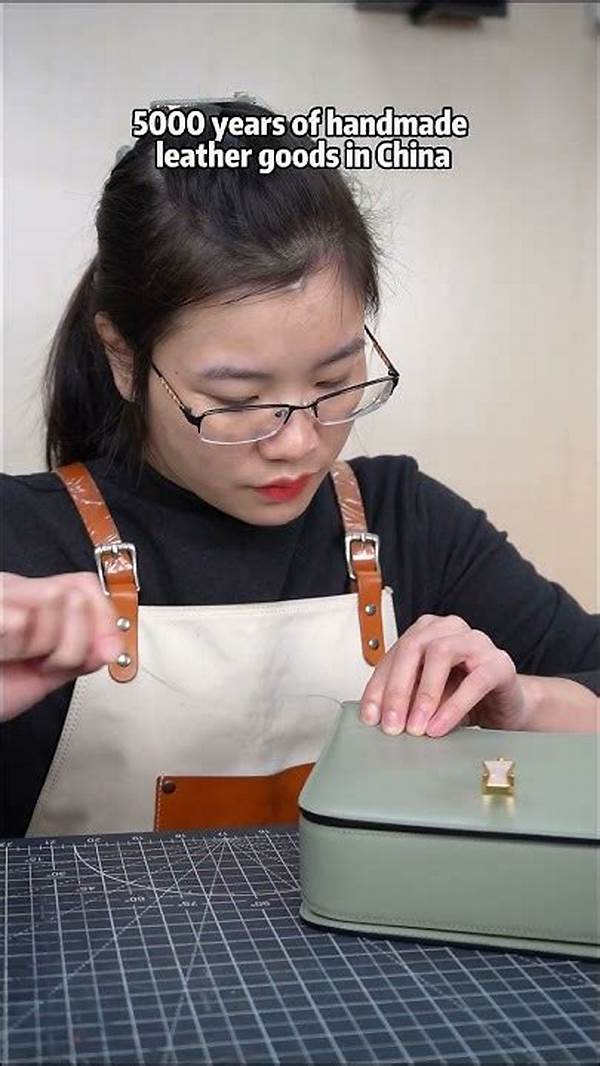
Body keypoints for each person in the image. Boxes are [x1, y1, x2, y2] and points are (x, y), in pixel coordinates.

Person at [1, 98, 598, 840]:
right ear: (124, 358)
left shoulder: (409, 522)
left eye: (334, 382)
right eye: (237, 399)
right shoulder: (21, 544)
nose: (298, 443)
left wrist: (527, 706)